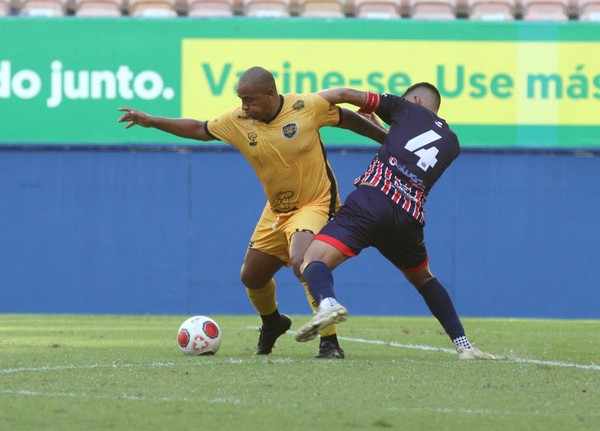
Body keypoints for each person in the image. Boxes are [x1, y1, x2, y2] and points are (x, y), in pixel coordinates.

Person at [117, 66, 387, 359]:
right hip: (277, 210)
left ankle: (329, 341)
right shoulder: (239, 120)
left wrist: (387, 140)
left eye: (249, 99)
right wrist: (151, 121)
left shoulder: (305, 107)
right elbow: (199, 129)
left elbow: (346, 118)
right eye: (241, 99)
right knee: (252, 276)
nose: (243, 106)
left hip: (314, 203)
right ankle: (273, 322)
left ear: (270, 94)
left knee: (302, 259)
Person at [294, 83, 495, 360]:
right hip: (407, 218)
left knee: (312, 259)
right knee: (424, 279)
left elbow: (344, 95)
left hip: (373, 200)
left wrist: (300, 106)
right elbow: (410, 150)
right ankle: (464, 346)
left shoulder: (405, 108)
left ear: (414, 100)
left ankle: (328, 303)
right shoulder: (452, 143)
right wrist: (387, 130)